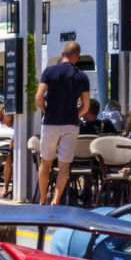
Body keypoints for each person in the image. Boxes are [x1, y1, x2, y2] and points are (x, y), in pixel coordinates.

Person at [36, 41, 91, 203]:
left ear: (62, 54)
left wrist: (46, 110)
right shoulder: (82, 76)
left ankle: (42, 198)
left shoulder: (49, 71)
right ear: (77, 57)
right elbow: (86, 106)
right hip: (70, 124)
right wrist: (75, 114)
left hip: (51, 123)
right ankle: (56, 200)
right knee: (64, 166)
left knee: (45, 163)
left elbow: (39, 98)